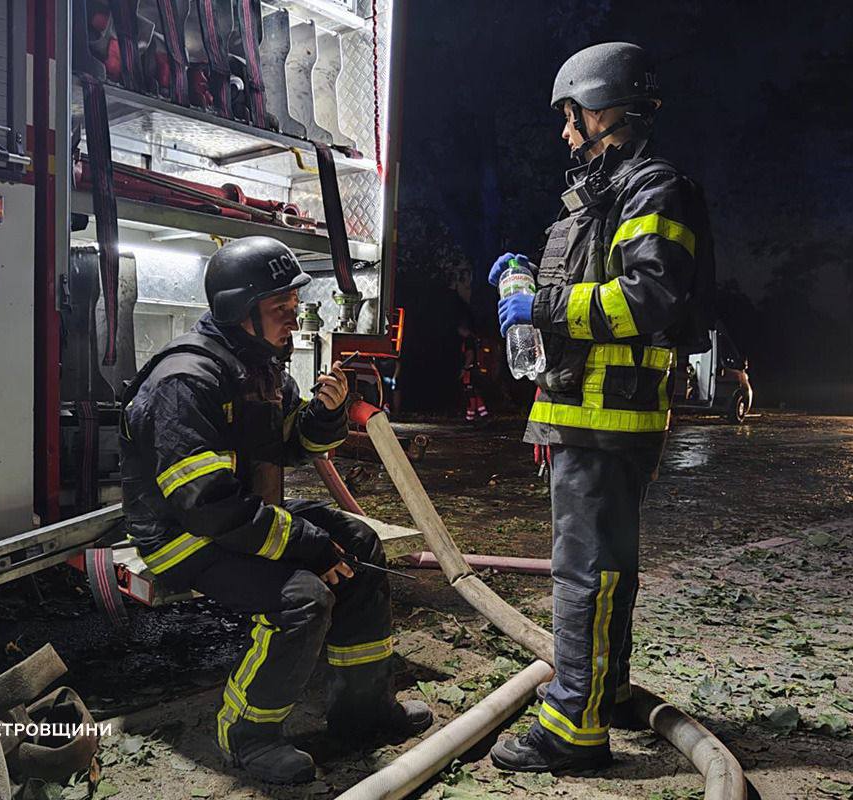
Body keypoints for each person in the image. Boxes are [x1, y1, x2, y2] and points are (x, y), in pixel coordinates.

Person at [119, 236, 432, 784]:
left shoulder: (260, 367)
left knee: (359, 547)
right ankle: (249, 736)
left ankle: (362, 714)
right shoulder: (185, 382)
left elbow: (290, 447)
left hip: (239, 518)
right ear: (241, 313)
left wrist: (325, 416)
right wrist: (305, 545)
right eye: (280, 310)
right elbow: (205, 504)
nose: (294, 319)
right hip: (185, 538)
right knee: (303, 599)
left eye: (293, 307)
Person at [486, 42, 715, 773]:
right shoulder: (609, 191)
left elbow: (648, 298)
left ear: (605, 107)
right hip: (585, 411)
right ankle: (602, 692)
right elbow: (595, 281)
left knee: (585, 572)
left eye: (570, 115)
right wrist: (525, 273)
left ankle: (572, 731)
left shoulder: (654, 188)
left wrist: (539, 302)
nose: (565, 132)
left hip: (605, 418)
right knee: (604, 568)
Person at [458, 321, 491, 424]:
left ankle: (470, 417)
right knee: (475, 393)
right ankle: (483, 415)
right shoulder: (475, 339)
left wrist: (465, 368)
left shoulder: (468, 340)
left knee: (470, 393)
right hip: (476, 370)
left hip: (470, 371)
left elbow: (470, 355)